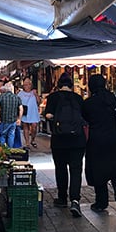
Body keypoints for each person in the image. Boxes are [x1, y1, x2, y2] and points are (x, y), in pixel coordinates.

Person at [82, 74, 116, 213]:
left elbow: (84, 121)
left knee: (99, 172)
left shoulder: (88, 103)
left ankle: (101, 202)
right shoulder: (115, 99)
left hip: (96, 141)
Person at [44, 73, 86, 217]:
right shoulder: (79, 98)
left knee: (61, 169)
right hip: (77, 140)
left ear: (59, 84)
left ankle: (62, 198)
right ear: (71, 85)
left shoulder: (53, 97)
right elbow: (84, 117)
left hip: (59, 140)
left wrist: (54, 118)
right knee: (76, 170)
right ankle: (75, 200)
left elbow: (47, 115)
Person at [0, 82, 23, 148]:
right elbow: (21, 108)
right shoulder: (17, 97)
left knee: (3, 135)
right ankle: (10, 150)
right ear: (11, 89)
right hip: (13, 121)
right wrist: (19, 119)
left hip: (4, 120)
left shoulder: (1, 96)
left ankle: (2, 150)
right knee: (11, 135)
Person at [17, 78, 40, 149]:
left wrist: (36, 95)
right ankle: (27, 143)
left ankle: (32, 140)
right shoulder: (20, 94)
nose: (27, 86)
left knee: (34, 126)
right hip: (25, 112)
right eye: (25, 84)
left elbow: (39, 102)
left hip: (33, 112)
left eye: (29, 84)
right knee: (25, 126)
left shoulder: (34, 92)